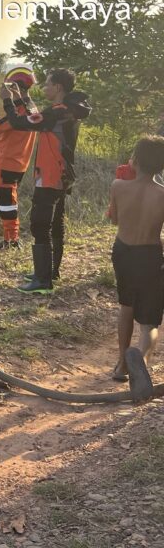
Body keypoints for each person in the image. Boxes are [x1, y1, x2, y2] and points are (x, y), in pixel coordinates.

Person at [0, 69, 92, 293]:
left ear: (58, 87)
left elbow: (20, 122)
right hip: (63, 173)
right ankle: (51, 272)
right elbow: (37, 117)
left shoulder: (56, 112)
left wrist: (8, 102)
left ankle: (42, 281)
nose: (44, 88)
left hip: (50, 174)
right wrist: (23, 98)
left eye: (48, 84)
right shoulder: (67, 110)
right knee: (56, 223)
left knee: (40, 224)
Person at [107, 136, 164, 393]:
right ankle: (140, 360)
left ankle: (121, 365)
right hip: (149, 254)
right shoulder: (162, 195)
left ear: (136, 160)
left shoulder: (118, 185)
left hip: (122, 252)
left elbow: (114, 219)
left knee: (126, 307)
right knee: (150, 322)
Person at [0, 65, 38, 249]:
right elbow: (4, 122)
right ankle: (12, 238)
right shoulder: (30, 109)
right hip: (20, 164)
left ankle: (10, 240)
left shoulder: (17, 113)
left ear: (14, 87)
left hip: (6, 164)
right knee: (10, 201)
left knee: (6, 204)